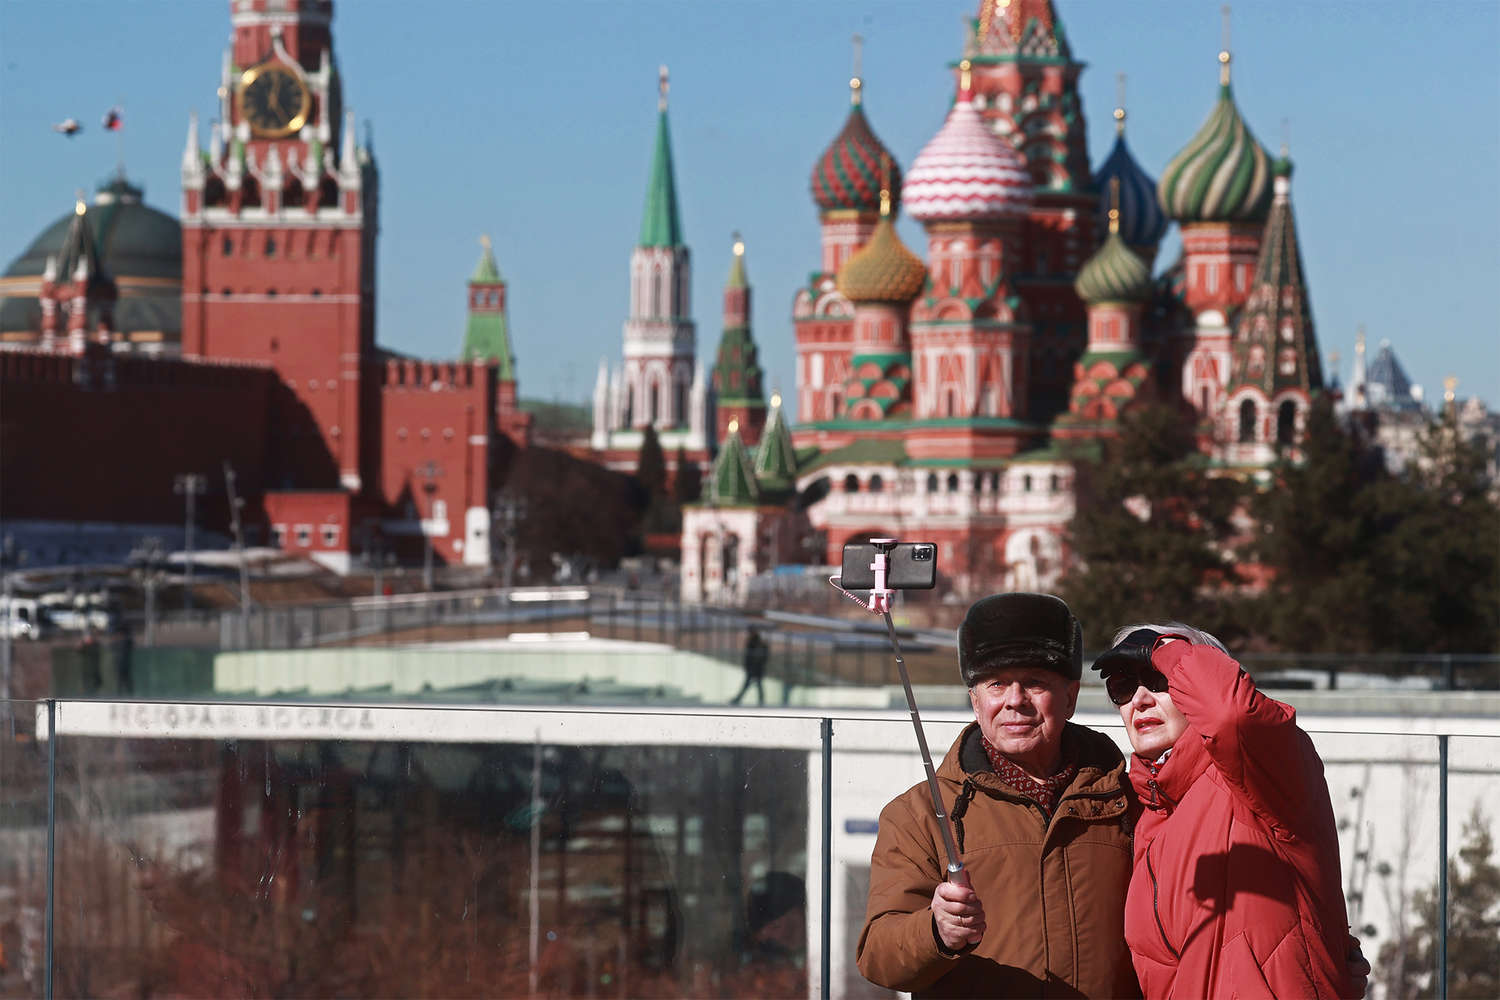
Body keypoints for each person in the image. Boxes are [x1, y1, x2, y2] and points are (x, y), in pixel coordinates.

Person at [857, 593, 1140, 998]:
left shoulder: (1130, 801)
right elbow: (878, 957)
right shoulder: (918, 814)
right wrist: (936, 931)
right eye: (997, 684)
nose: (1015, 701)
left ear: (1071, 696)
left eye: (1035, 682)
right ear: (975, 700)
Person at [1094, 622, 1361, 999]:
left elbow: (1232, 716)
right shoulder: (1142, 811)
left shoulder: (1269, 775)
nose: (1140, 700)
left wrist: (1165, 648)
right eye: (1123, 685)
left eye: (1159, 679)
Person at [731, 625, 769, 706]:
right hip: (753, 668)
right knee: (753, 685)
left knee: (754, 685)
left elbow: (761, 656)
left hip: (756, 668)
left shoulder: (758, 642)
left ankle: (739, 699)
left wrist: (754, 665)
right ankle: (759, 700)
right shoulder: (753, 641)